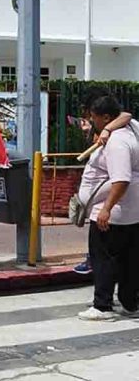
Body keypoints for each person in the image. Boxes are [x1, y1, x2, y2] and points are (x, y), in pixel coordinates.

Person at [77, 96, 139, 321]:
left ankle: (102, 305)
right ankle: (130, 302)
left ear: (105, 117)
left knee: (104, 259)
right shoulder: (131, 128)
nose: (92, 122)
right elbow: (126, 115)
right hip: (131, 212)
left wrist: (107, 209)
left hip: (113, 213)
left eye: (94, 118)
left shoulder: (117, 143)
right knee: (129, 259)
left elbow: (121, 179)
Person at [72, 90, 132, 276]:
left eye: (92, 115)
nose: (89, 119)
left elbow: (127, 115)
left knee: (109, 254)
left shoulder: (118, 137)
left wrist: (106, 208)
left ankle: (106, 299)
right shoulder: (102, 128)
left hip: (113, 209)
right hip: (101, 205)